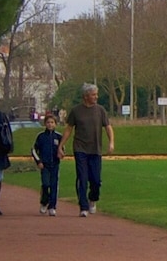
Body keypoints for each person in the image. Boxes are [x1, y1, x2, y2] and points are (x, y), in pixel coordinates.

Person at [65, 84, 115, 217]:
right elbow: (69, 129)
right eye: (93, 95)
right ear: (86, 96)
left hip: (95, 149)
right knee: (82, 178)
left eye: (96, 94)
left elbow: (108, 127)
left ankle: (93, 199)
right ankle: (83, 206)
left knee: (96, 180)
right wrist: (61, 145)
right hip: (80, 148)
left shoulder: (100, 110)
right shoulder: (76, 111)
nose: (96, 97)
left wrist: (111, 143)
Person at [32, 117, 64, 216]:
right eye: (48, 122)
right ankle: (44, 202)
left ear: (55, 124)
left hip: (55, 164)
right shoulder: (41, 136)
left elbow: (62, 149)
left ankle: (52, 207)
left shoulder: (58, 137)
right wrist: (39, 161)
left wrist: (61, 154)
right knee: (46, 184)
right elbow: (34, 150)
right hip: (44, 165)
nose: (50, 124)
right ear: (45, 124)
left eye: (52, 122)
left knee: (54, 185)